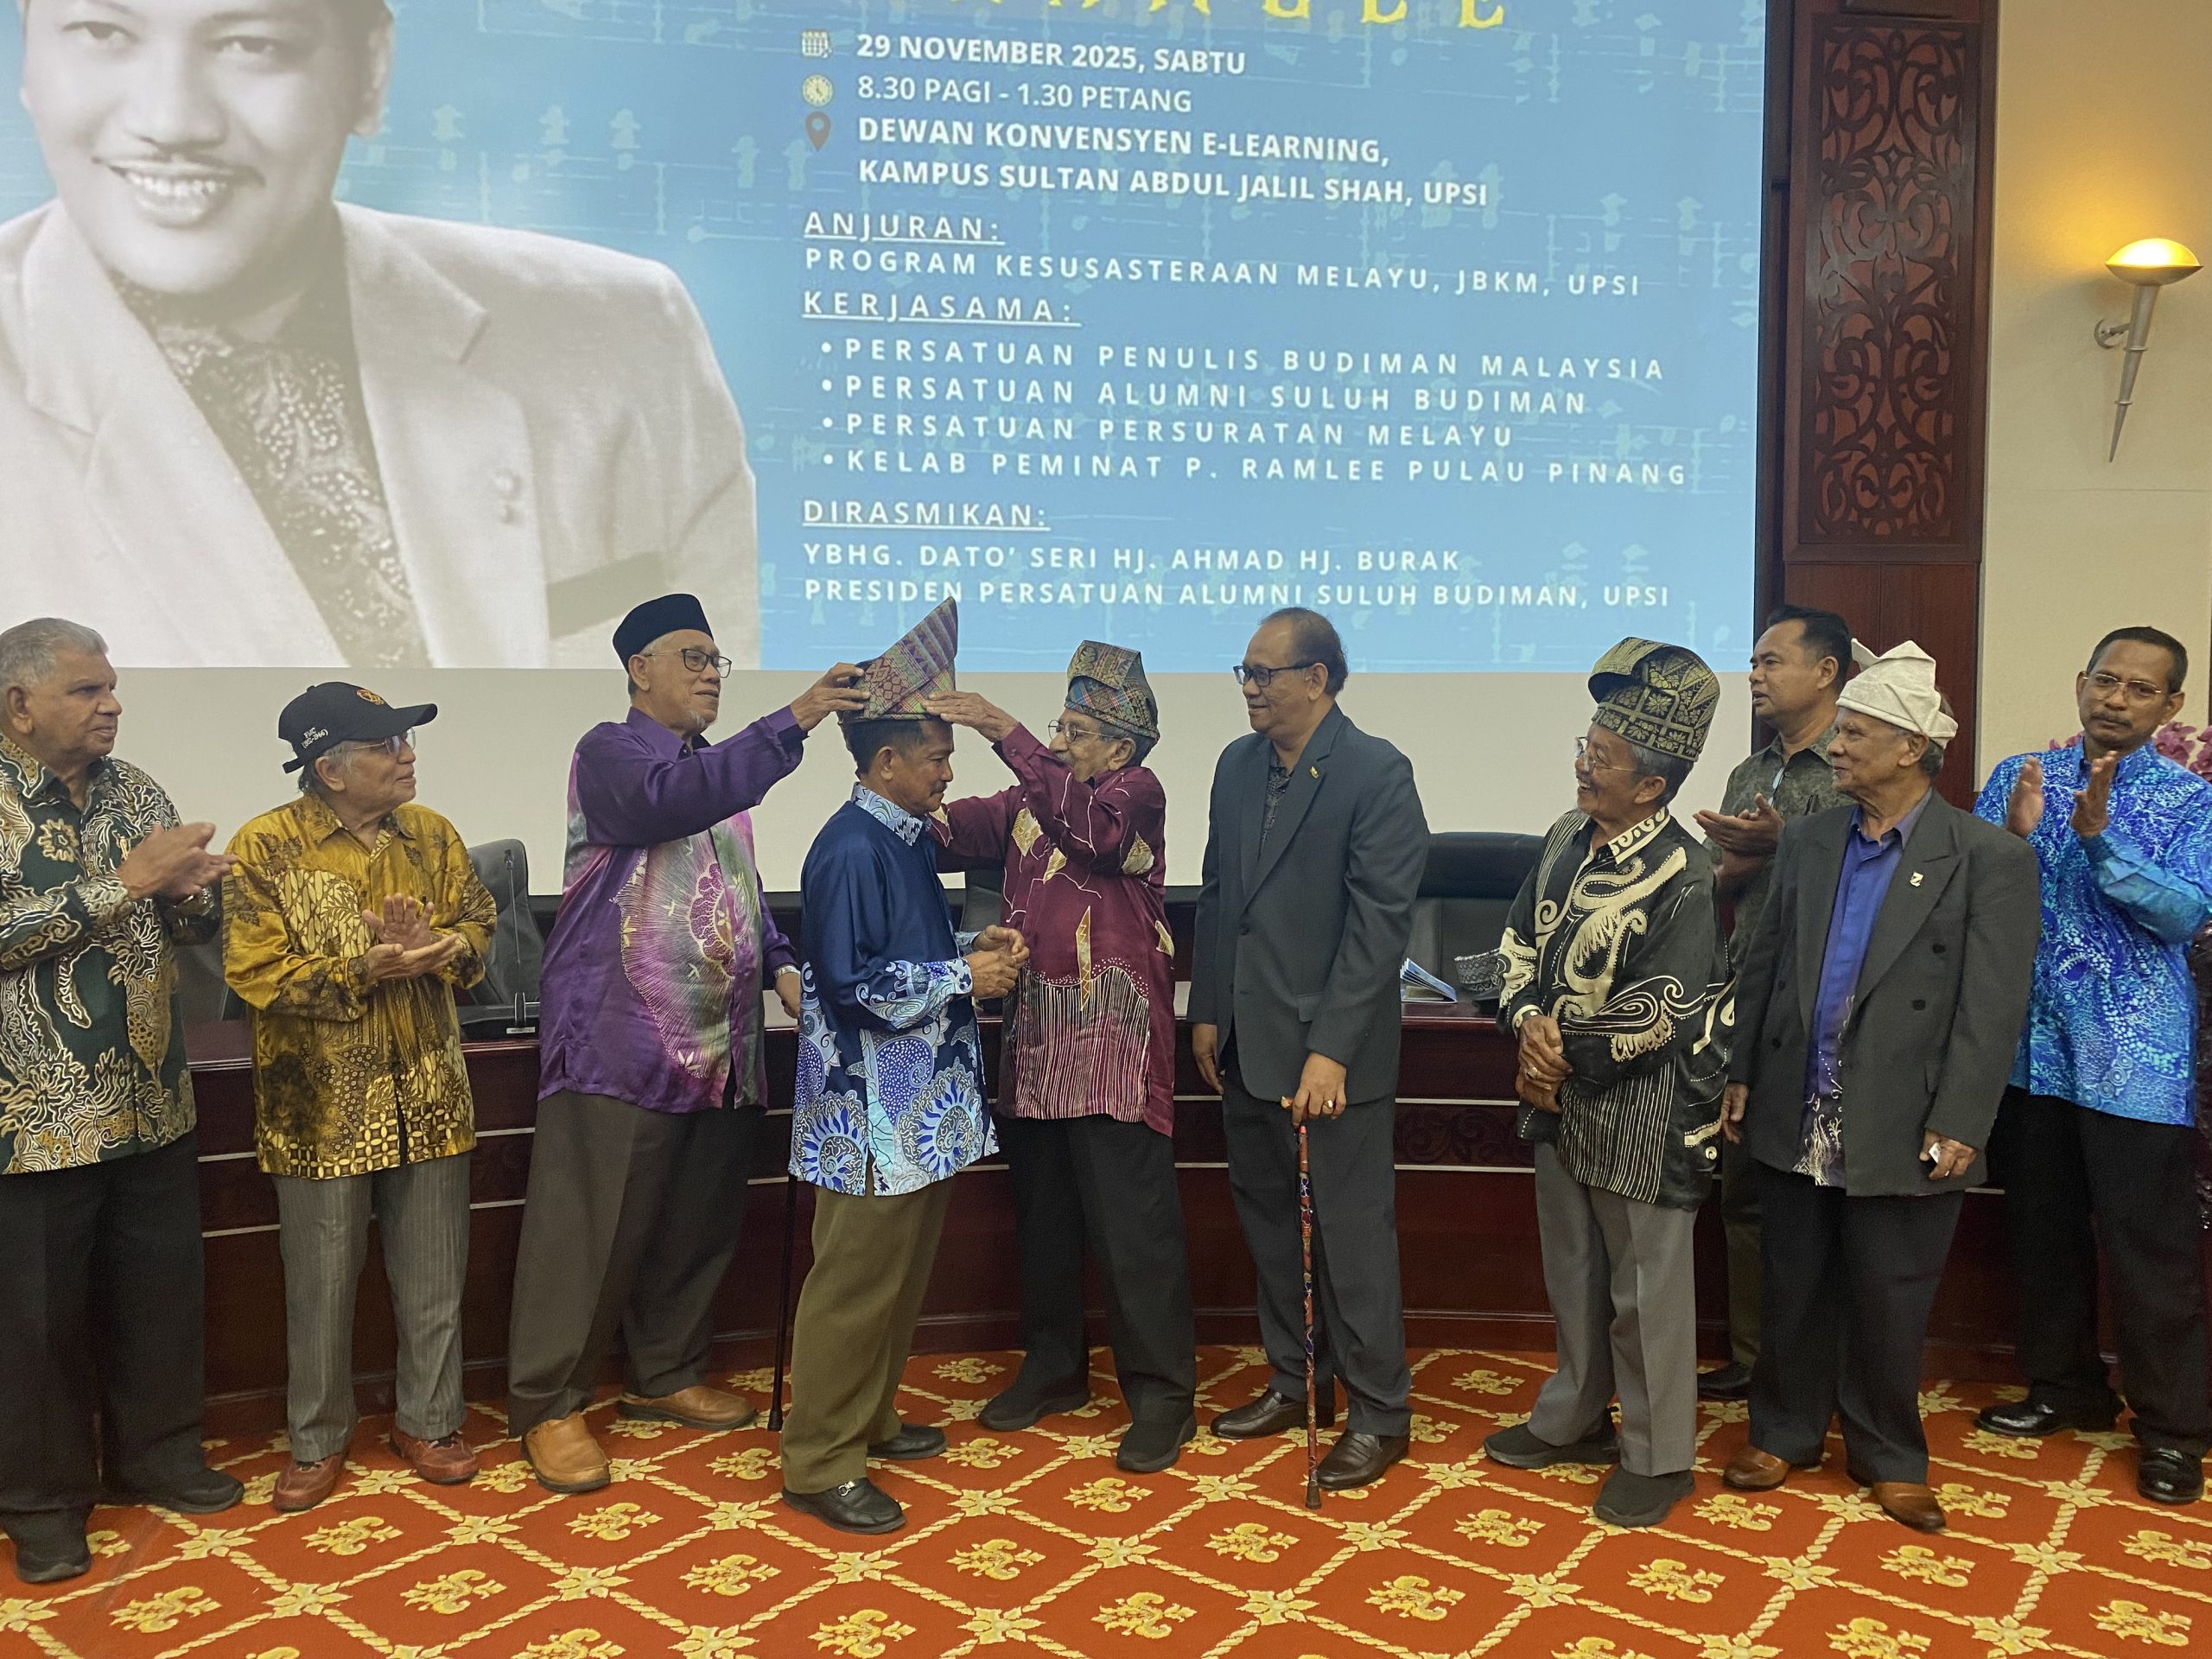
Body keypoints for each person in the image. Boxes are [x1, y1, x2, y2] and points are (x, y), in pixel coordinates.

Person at [2, 0, 759, 668]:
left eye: (251, 44)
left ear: (370, 70)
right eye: (101, 32)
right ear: (29, 55)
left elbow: (728, 740)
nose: (171, 122)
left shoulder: (624, 331)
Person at [506, 594, 864, 1496]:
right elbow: (664, 805)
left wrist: (783, 963)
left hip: (720, 1041)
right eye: (692, 658)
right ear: (639, 670)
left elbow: (737, 887)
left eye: (716, 660)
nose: (710, 674)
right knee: (588, 1234)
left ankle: (663, 1371)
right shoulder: (613, 753)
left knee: (695, 1222)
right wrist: (797, 716)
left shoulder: (716, 774)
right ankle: (549, 1404)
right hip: (618, 1036)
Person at [1721, 641, 2039, 1533]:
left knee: (1889, 1293)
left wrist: (1962, 1119)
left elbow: (1992, 1006)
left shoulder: (1986, 857)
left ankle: (1889, 1454)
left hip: (1908, 1112)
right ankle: (1782, 1434)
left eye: (1856, 733)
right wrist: (1742, 1071)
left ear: (1910, 749)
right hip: (1798, 1096)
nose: (1838, 746)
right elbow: (1766, 963)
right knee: (1792, 1282)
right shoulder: (1812, 839)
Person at [779, 599, 1029, 1535]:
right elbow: (850, 988)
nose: (948, 771)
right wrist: (966, 975)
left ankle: (868, 1419)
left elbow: (899, 955)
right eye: (935, 757)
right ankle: (819, 1459)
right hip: (869, 1121)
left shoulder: (901, 836)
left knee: (896, 1279)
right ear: (886, 762)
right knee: (852, 1288)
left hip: (913, 1112)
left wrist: (971, 948)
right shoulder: (851, 848)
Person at [0, 617, 241, 1585]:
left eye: (111, 688)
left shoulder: (135, 789)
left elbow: (186, 924)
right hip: (33, 1120)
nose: (112, 706)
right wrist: (124, 884)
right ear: (19, 704)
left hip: (151, 1101)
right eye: (87, 690)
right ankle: (42, 1501)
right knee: (35, 1325)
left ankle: (158, 1456)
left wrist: (188, 895)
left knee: (158, 1296)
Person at [221, 683, 497, 1512]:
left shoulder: (433, 834)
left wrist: (443, 946)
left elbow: (479, 927)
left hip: (431, 1093)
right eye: (387, 745)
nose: (408, 756)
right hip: (321, 1111)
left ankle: (432, 1423)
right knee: (319, 1289)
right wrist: (360, 969)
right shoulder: (265, 846)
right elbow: (254, 970)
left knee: (435, 1280)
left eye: (404, 741)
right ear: (330, 768)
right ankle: (316, 1440)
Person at [927, 644, 1198, 1474]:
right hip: (1039, 1040)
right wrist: (892, 772)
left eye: (1075, 732)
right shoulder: (1027, 801)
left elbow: (1093, 835)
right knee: (1044, 1218)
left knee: (1132, 1229)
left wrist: (1000, 727)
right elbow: (939, 830)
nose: (1057, 742)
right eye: (1058, 727)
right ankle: (1054, 1367)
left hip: (1113, 1044)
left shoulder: (1134, 795)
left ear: (1120, 746)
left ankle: (1162, 1395)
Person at [1482, 639, 1730, 1530]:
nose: (1584, 766)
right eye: (1585, 747)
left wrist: (1556, 1053)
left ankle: (1659, 1457)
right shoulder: (1562, 837)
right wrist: (1526, 1022)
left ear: (1653, 785)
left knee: (1644, 1290)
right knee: (1574, 1271)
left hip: (1644, 1112)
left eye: (1604, 756)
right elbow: (1513, 944)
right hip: (1555, 1098)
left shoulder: (1686, 873)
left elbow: (1665, 1010)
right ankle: (1575, 1417)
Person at [1972, 626, 2212, 1506]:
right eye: (2106, 680)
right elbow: (1968, 889)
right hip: (2029, 1053)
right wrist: (2010, 838)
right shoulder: (2019, 775)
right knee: (2042, 1232)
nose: (2116, 698)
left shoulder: (2190, 802)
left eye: (2140, 689)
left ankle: (2173, 1430)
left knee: (2151, 1254)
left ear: (2170, 706)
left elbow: (2183, 914)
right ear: (2081, 682)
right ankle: (2065, 1386)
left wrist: (2104, 841)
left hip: (2133, 1060)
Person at [1189, 607, 1428, 1492]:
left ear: (1316, 678)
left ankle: (1379, 1413)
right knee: (1268, 1224)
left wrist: (1331, 1049)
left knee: (1350, 1235)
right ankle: (1296, 1382)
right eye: (1245, 674)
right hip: (1245, 1041)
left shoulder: (1376, 771)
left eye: (1264, 674)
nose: (1249, 689)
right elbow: (1220, 897)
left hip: (1333, 1056)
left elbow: (1378, 928)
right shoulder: (1236, 764)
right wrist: (1208, 1010)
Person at [1689, 605, 1853, 1402]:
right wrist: (1733, 865)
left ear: (1825, 672)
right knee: (1745, 1189)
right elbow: (1722, 885)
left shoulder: (1857, 762)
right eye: (1753, 662)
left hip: (1830, 1009)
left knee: (1823, 1198)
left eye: (1770, 661)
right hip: (1746, 1001)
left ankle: (1821, 1365)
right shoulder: (1749, 773)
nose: (1753, 675)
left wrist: (1787, 843)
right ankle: (1757, 1359)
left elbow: (1871, 873)